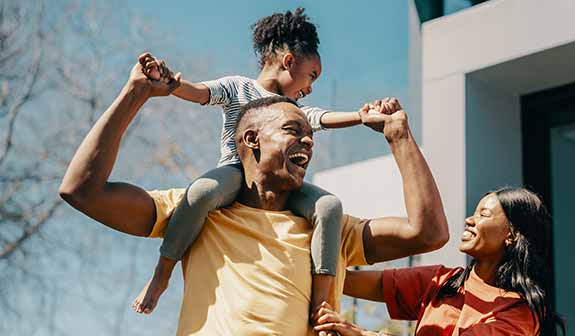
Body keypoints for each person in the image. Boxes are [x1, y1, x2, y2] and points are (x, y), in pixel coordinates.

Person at [58, 60, 449, 335]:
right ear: (251, 140)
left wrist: (398, 136)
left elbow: (427, 233)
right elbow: (81, 191)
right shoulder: (198, 212)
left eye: (309, 133)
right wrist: (136, 93)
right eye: (293, 131)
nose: (308, 140)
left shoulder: (328, 228)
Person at [132, 7, 393, 315]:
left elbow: (321, 118)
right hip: (236, 173)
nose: (310, 87)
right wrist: (172, 85)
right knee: (200, 193)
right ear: (288, 62)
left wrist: (360, 117)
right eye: (311, 76)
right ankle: (162, 273)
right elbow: (200, 92)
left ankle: (322, 300)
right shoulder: (237, 87)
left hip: (280, 183)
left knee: (329, 207)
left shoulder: (292, 109)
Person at [313, 188, 566, 336]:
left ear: (512, 234)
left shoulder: (519, 312)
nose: (469, 220)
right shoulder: (443, 282)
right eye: (474, 212)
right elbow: (346, 280)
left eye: (483, 214)